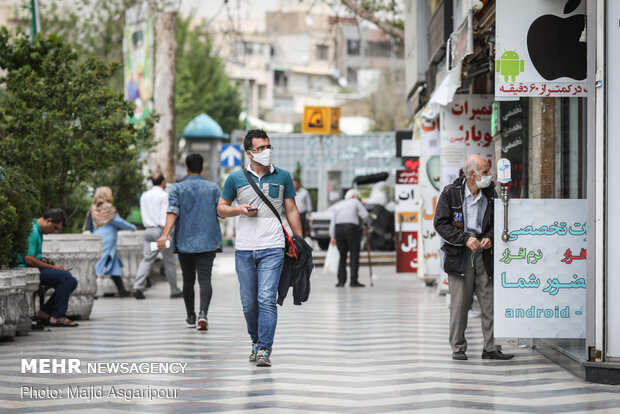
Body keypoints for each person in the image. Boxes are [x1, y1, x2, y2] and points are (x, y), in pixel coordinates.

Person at [218, 129, 302, 367]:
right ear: (249, 153)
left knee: (266, 299)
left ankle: (264, 348)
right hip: (245, 249)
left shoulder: (283, 176)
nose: (267, 151)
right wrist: (238, 210)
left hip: (273, 247)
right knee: (249, 302)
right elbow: (221, 208)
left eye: (268, 146)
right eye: (261, 148)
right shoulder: (235, 178)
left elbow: (292, 210)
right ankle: (255, 340)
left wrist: (299, 241)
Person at [434, 154, 514, 361]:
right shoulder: (450, 193)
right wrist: (464, 239)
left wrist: (488, 238)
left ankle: (491, 347)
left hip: (483, 253)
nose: (489, 175)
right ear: (472, 174)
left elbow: (497, 222)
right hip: (459, 253)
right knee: (460, 303)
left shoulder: (490, 193)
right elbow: (441, 224)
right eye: (486, 171)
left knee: (489, 301)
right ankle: (458, 347)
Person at [157, 154, 222, 331]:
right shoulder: (213, 188)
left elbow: (172, 212)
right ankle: (203, 314)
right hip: (208, 240)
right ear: (202, 168)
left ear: (186, 168)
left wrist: (165, 235)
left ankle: (190, 316)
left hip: (185, 241)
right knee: (205, 279)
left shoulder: (177, 188)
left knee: (188, 280)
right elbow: (221, 211)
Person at [17, 209, 79, 327]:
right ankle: (58, 317)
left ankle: (45, 313)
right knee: (65, 278)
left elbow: (32, 255)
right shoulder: (33, 231)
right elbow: (28, 259)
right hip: (26, 269)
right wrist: (53, 267)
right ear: (49, 221)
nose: (54, 232)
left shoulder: (37, 229)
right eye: (55, 228)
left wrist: (44, 260)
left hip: (33, 268)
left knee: (70, 280)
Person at [133, 173, 182, 300]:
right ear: (163, 182)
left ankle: (137, 287)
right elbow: (164, 215)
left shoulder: (144, 195)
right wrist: (167, 234)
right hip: (161, 231)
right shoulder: (164, 195)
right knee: (169, 261)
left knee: (147, 259)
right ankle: (174, 289)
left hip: (148, 231)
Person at [85, 186, 136, 297]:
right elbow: (118, 221)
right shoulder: (108, 208)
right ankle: (89, 290)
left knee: (112, 263)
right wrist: (131, 227)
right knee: (100, 263)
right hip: (108, 238)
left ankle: (121, 290)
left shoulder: (93, 208)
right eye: (109, 193)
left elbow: (89, 224)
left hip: (98, 236)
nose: (111, 196)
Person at [329, 189, 371, 288]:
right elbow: (365, 215)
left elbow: (333, 222)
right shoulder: (356, 201)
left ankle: (341, 281)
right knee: (354, 254)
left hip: (338, 229)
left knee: (342, 256)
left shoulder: (339, 205)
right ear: (354, 197)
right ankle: (353, 280)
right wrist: (367, 224)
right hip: (351, 229)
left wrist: (332, 236)